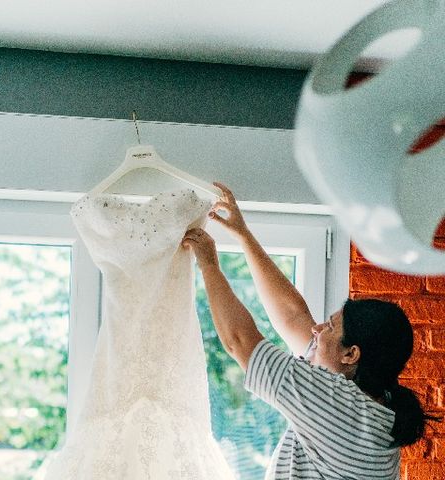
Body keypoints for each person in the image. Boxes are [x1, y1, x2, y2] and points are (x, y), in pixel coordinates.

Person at [182, 181, 437, 480]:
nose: (317, 328)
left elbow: (240, 342)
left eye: (329, 326)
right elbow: (293, 315)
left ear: (351, 354)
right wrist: (243, 234)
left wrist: (209, 263)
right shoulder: (375, 406)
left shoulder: (342, 409)